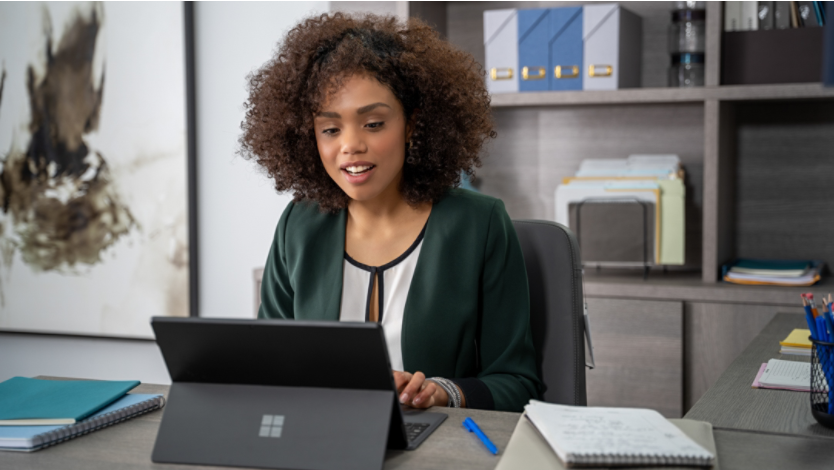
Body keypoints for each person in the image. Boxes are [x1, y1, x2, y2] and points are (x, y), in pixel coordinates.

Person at [240, 12, 543, 412]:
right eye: (330, 129)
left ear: (413, 125)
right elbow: (268, 366)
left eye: (374, 123)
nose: (350, 146)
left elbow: (517, 382)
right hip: (321, 437)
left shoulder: (479, 224)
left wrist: (442, 391)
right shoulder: (299, 224)